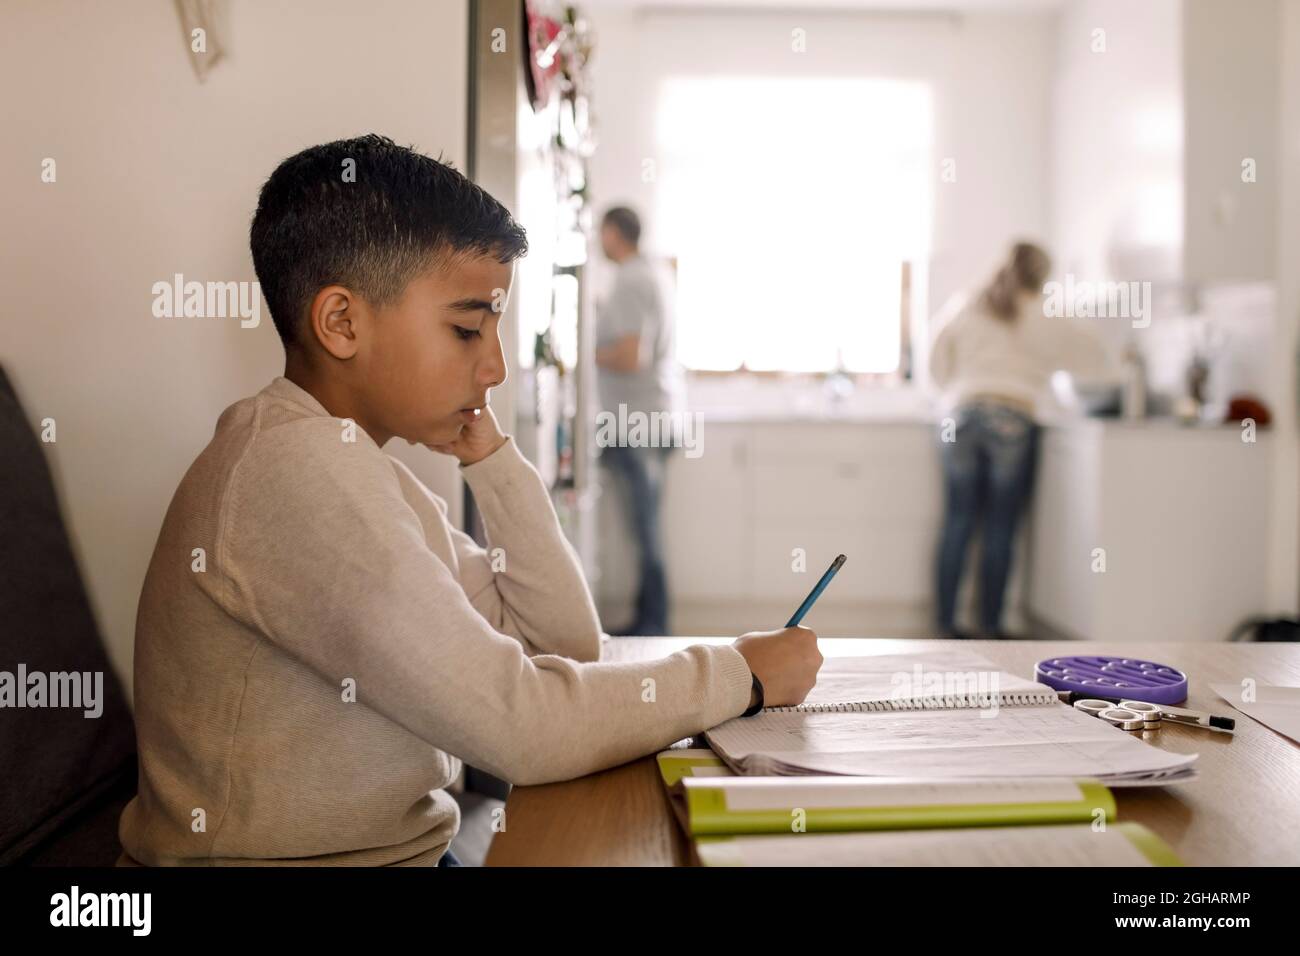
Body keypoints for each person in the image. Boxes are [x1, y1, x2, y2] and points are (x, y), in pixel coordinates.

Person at [117, 136, 821, 866]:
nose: (493, 366)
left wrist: (493, 462)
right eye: (465, 329)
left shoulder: (364, 471)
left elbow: (562, 644)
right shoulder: (296, 470)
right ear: (342, 324)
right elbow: (523, 728)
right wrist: (739, 674)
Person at [929, 241, 1109, 638]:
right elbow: (1095, 359)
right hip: (1012, 417)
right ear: (1042, 276)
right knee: (1000, 526)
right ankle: (991, 626)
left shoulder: (968, 303)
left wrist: (956, 390)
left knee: (958, 521)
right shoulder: (1047, 314)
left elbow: (935, 357)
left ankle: (946, 624)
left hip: (961, 414)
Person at [594, 206, 685, 636]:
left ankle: (651, 625)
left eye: (602, 232)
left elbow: (632, 356)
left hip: (637, 422)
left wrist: (581, 353)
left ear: (614, 233)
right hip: (653, 416)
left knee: (644, 529)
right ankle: (650, 620)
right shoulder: (656, 274)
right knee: (647, 527)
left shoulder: (631, 279)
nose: (599, 241)